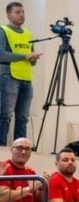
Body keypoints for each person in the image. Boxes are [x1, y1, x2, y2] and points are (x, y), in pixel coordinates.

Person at [0, 2, 39, 146]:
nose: (22, 15)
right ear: (9, 14)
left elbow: (31, 60)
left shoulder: (28, 33)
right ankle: (1, 146)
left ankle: (21, 147)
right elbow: (1, 55)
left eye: (23, 12)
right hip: (9, 77)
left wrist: (32, 58)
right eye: (18, 12)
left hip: (26, 79)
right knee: (6, 115)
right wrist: (24, 56)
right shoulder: (3, 30)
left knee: (23, 118)